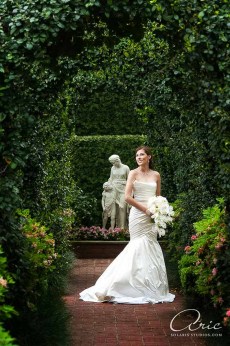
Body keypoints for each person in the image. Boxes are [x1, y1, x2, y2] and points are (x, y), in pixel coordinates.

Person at [79, 146, 175, 304]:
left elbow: (158, 197)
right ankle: (122, 285)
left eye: (142, 154)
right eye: (137, 155)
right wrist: (145, 210)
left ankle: (149, 286)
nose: (139, 157)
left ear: (149, 157)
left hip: (152, 215)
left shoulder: (156, 175)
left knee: (151, 246)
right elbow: (127, 197)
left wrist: (159, 210)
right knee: (137, 246)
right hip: (139, 215)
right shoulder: (133, 173)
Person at [108, 154, 130, 229]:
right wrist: (108, 184)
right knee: (115, 208)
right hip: (114, 189)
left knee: (122, 207)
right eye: (112, 163)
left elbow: (129, 180)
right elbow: (111, 178)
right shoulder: (112, 168)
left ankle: (123, 227)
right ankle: (117, 228)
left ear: (118, 160)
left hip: (123, 190)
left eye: (114, 163)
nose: (113, 164)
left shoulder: (126, 167)